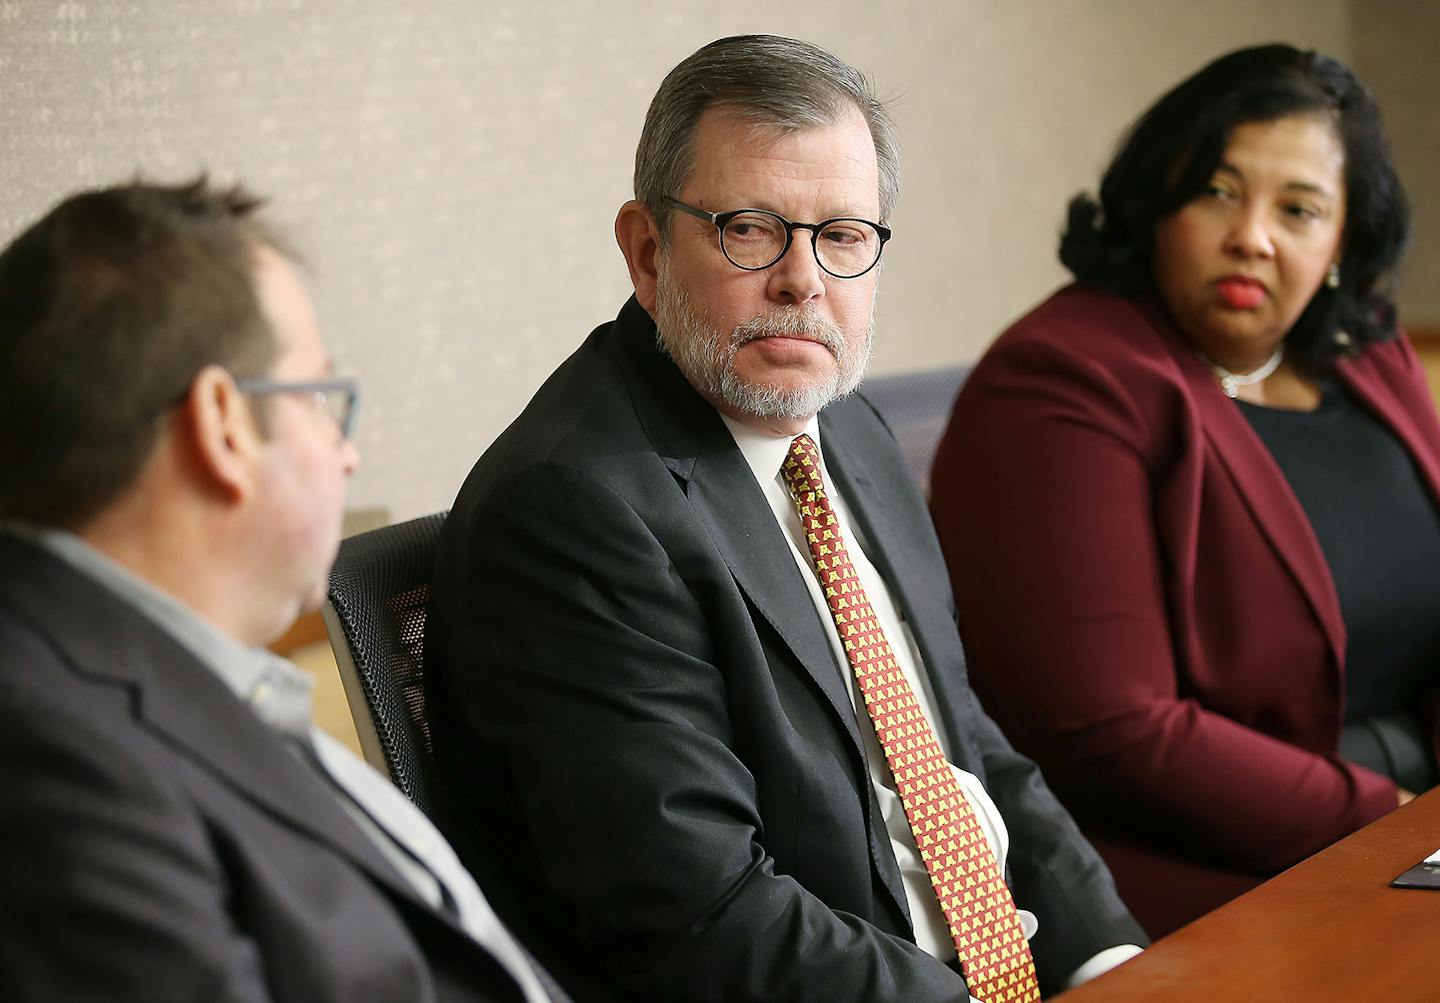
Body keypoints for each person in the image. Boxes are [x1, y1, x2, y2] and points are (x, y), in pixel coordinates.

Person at [426, 35, 1144, 1003]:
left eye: (843, 236)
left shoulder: (847, 430)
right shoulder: (574, 508)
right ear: (647, 250)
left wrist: (1113, 962)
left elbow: (959, 739)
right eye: (752, 229)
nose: (804, 281)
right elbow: (698, 915)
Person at [0, 179, 567, 1002]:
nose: (348, 457)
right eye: (319, 399)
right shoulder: (45, 760)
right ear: (225, 427)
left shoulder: (176, 676)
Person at [929, 44, 1435, 938]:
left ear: (1344, 242)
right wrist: (1392, 821)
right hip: (1206, 865)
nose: (1253, 235)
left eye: (1300, 208)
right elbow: (1111, 729)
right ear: (1159, 196)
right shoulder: (1061, 379)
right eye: (1218, 190)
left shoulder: (1369, 351)